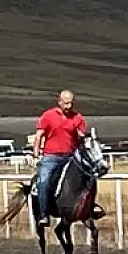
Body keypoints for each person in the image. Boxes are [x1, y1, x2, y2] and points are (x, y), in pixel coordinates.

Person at [31, 89, 104, 223]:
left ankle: (91, 207)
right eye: (66, 103)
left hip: (72, 155)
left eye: (71, 103)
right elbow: (39, 135)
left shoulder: (78, 118)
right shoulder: (48, 116)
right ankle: (44, 213)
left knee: (90, 178)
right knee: (43, 182)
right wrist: (36, 154)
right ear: (59, 102)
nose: (69, 106)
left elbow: (82, 137)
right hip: (51, 156)